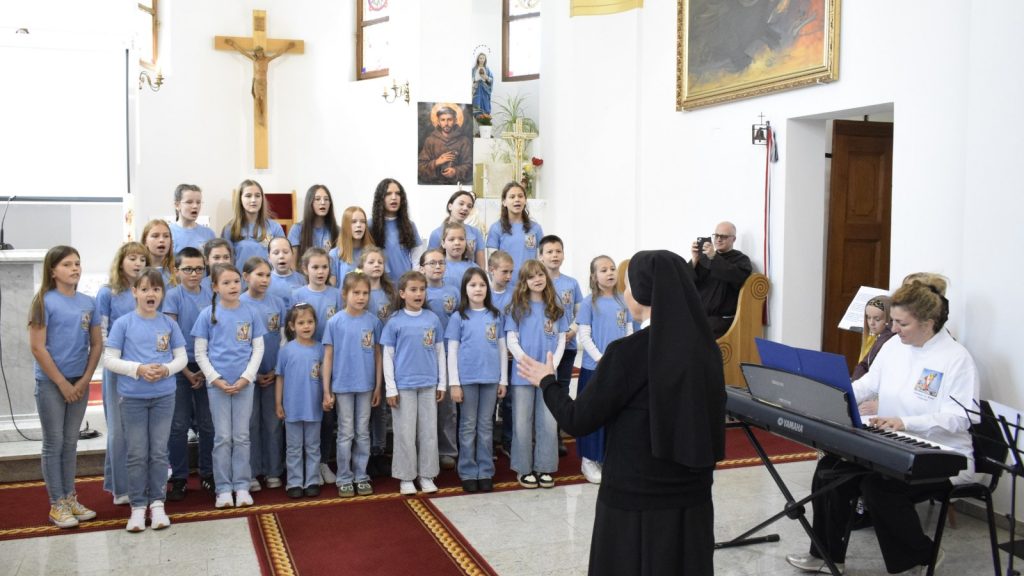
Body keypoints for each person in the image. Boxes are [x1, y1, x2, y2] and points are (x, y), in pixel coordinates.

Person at [517, 250, 725, 576]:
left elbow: (578, 419)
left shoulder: (628, 352)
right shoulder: (706, 349)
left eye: (629, 285)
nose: (625, 292)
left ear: (644, 293)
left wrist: (547, 382)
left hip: (635, 497)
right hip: (691, 494)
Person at [786, 275, 978, 575]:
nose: (893, 329)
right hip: (890, 444)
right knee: (829, 472)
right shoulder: (894, 347)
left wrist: (906, 422)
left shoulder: (956, 358)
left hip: (943, 455)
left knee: (878, 487)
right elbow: (866, 385)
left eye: (902, 323)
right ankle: (826, 555)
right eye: (893, 322)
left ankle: (921, 556)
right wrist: (831, 394)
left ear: (928, 323)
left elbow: (963, 417)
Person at [103, 268, 187, 532]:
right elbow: (109, 360)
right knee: (137, 452)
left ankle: (158, 504)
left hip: (163, 396)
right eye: (145, 289)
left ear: (162, 294)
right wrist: (138, 369)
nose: (151, 294)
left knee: (159, 452)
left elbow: (181, 358)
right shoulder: (124, 323)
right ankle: (138, 507)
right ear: (135, 292)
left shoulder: (169, 324)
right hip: (133, 398)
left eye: (157, 289)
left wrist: (166, 369)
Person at [28, 246, 102, 529]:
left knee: (71, 443)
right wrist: (61, 383)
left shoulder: (88, 302)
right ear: (52, 270)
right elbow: (37, 347)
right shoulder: (44, 302)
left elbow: (95, 344)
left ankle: (70, 497)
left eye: (78, 264)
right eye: (68, 264)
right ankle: (56, 503)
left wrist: (84, 381)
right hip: (51, 383)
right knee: (54, 442)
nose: (75, 269)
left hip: (78, 381)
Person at [192, 263, 267, 509]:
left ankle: (242, 486)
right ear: (214, 287)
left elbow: (258, 348)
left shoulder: (251, 312)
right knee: (223, 437)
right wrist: (215, 379)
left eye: (236, 281)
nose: (232, 286)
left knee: (242, 436)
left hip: (245, 384)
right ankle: (224, 488)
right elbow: (200, 352)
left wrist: (247, 376)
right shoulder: (207, 315)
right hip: (218, 386)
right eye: (226, 282)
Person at [381, 271, 447, 495]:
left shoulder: (432, 319)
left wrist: (442, 384)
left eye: (421, 289)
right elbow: (387, 357)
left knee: (428, 431)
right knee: (404, 432)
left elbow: (440, 353)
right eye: (413, 290)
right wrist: (390, 387)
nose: (418, 294)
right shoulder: (394, 321)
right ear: (402, 293)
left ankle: (427, 474)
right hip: (403, 386)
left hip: (428, 383)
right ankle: (406, 476)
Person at [505, 260, 568, 489]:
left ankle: (544, 467)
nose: (537, 279)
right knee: (522, 422)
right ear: (524, 281)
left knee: (548, 422)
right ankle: (524, 468)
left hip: (548, 374)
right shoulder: (517, 308)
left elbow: (561, 339)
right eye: (531, 276)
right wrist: (529, 364)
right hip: (524, 373)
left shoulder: (555, 306)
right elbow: (512, 340)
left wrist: (550, 367)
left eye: (540, 274)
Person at [97, 241, 151, 505]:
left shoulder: (147, 291)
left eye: (142, 259)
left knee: (140, 430)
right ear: (121, 261)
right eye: (132, 258)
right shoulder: (108, 293)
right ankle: (121, 487)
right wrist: (121, 362)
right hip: (119, 369)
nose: (138, 263)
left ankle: (141, 483)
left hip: (144, 370)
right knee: (119, 430)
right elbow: (102, 334)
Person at [322, 271, 383, 498]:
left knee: (362, 432)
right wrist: (326, 389)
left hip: (366, 386)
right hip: (343, 386)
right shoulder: (335, 322)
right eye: (356, 293)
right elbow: (328, 357)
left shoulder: (373, 321)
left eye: (365, 293)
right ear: (344, 294)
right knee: (346, 432)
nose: (361, 297)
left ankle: (361, 474)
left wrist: (378, 386)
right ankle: (344, 476)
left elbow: (377, 355)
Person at [446, 268, 507, 493]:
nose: (478, 289)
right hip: (467, 379)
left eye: (482, 285)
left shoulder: (495, 315)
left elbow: (502, 349)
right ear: (465, 289)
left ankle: (485, 470)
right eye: (473, 285)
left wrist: (504, 380)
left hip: (491, 378)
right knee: (468, 425)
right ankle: (468, 470)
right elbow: (452, 351)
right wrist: (454, 383)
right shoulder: (458, 316)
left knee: (485, 426)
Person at [575, 255, 633, 484]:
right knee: (593, 413)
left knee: (614, 414)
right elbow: (584, 335)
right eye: (603, 270)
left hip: (617, 368)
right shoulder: (589, 302)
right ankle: (589, 459)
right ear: (593, 276)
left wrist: (624, 356)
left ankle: (608, 457)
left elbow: (629, 329)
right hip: (595, 368)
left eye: (612, 269)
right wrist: (602, 359)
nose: (609, 273)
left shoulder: (623, 300)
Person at [163, 247, 215, 501]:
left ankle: (208, 473)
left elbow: (216, 332)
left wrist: (205, 370)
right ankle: (180, 477)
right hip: (179, 367)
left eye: (199, 269)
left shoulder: (211, 294)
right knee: (178, 425)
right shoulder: (173, 296)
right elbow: (171, 335)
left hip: (206, 366)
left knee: (207, 424)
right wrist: (185, 370)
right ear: (177, 271)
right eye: (188, 269)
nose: (194, 274)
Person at [241, 257, 288, 492]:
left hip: (272, 373)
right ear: (245, 276)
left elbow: (282, 340)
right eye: (259, 274)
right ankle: (250, 472)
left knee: (272, 423)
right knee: (250, 424)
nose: (265, 279)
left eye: (268, 275)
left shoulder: (277, 303)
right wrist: (251, 374)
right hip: (246, 376)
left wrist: (275, 370)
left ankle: (273, 470)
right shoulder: (238, 303)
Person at [275, 303, 325, 498]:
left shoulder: (321, 349)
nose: (306, 326)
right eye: (301, 322)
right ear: (291, 326)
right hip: (292, 408)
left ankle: (311, 480)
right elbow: (280, 378)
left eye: (310, 322)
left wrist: (327, 396)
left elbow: (325, 377)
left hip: (313, 406)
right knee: (294, 447)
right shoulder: (286, 350)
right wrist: (278, 403)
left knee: (313, 446)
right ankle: (294, 481)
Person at [539, 235, 582, 457]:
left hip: (567, 345)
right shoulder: (537, 281)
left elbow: (579, 312)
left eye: (558, 251)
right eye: (549, 251)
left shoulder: (571, 283)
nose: (554, 255)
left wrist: (572, 331)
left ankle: (556, 435)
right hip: (543, 347)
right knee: (544, 389)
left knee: (561, 389)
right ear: (540, 256)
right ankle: (541, 435)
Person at [420, 248, 460, 470]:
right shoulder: (419, 291)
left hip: (447, 355)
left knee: (447, 408)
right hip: (423, 357)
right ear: (422, 267)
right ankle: (426, 450)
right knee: (425, 407)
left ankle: (447, 450)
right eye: (432, 263)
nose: (437, 267)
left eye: (441, 263)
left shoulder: (453, 291)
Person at [690, 221, 752, 338]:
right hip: (699, 316)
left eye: (723, 236)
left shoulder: (741, 260)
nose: (718, 239)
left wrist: (714, 257)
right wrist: (694, 259)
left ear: (733, 239)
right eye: (716, 235)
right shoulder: (703, 258)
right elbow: (688, 282)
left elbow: (736, 277)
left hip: (721, 321)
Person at [486, 182, 544, 283]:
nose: (517, 199)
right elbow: (492, 263)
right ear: (504, 202)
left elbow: (541, 259)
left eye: (520, 196)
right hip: (506, 285)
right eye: (512, 197)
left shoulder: (535, 228)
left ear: (525, 201)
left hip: (529, 284)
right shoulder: (496, 228)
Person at [222, 179, 286, 268]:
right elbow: (225, 262)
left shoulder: (275, 227)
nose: (253, 200)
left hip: (268, 279)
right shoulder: (230, 228)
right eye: (248, 196)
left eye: (257, 196)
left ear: (262, 199)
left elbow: (282, 258)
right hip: (240, 280)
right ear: (240, 199)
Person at [369, 178, 422, 280]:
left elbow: (417, 259)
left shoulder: (409, 226)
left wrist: (415, 280)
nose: (394, 198)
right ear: (381, 198)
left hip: (405, 284)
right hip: (380, 284)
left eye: (397, 194)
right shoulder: (370, 225)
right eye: (388, 194)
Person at [427, 190, 487, 268]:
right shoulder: (437, 233)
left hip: (469, 276)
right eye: (461, 204)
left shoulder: (475, 233)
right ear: (450, 206)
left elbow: (481, 266)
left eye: (469, 206)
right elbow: (431, 263)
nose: (465, 208)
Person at [417, 104, 473, 185]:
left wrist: (455, 171)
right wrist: (437, 162)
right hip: (433, 185)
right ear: (438, 122)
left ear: (455, 121)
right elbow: (421, 167)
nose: (446, 123)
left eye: (449, 119)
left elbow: (469, 166)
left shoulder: (464, 141)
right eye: (443, 120)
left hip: (457, 185)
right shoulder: (430, 141)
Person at [288, 184, 340, 265]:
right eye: (318, 199)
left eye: (326, 199)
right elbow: (292, 265)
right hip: (303, 276)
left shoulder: (337, 230)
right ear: (310, 202)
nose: (323, 202)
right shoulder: (297, 229)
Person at [329, 206, 376, 285]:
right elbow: (332, 288)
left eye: (363, 221)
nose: (359, 225)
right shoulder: (334, 254)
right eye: (354, 222)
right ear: (345, 226)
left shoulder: (373, 253)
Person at [852, 295, 893, 381]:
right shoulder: (871, 338)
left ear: (889, 319)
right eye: (868, 317)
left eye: (877, 319)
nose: (871, 323)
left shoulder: (888, 340)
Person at [170, 184, 216, 254]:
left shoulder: (209, 234)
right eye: (189, 202)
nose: (195, 206)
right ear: (177, 205)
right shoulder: (168, 233)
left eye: (198, 202)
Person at [141, 219, 178, 288]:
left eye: (166, 236)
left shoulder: (178, 271)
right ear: (145, 241)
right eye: (155, 236)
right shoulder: (137, 271)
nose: (162, 240)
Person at [440, 221, 478, 288]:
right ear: (443, 243)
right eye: (451, 239)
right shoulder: (438, 268)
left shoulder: (474, 268)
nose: (457, 243)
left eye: (461, 239)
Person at [267, 237, 304, 304]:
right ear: (269, 258)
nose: (281, 256)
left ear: (292, 255)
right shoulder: (265, 281)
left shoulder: (302, 280)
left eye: (286, 252)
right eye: (276, 253)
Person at [472, 52, 493, 117]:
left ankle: (485, 119)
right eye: (480, 58)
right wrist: (475, 80)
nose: (481, 60)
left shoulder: (487, 69)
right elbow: (471, 79)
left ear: (485, 59)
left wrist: (486, 77)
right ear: (478, 59)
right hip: (476, 89)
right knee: (476, 105)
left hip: (485, 90)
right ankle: (477, 119)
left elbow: (491, 79)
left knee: (485, 105)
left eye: (483, 58)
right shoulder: (474, 69)